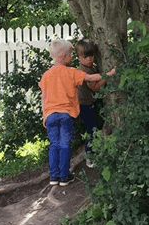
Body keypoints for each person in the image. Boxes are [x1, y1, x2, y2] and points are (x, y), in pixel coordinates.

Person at [39, 39, 114, 187]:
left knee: (54, 145)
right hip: (66, 114)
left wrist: (44, 114)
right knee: (65, 144)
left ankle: (54, 176)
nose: (72, 56)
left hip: (51, 115)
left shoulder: (46, 75)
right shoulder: (72, 72)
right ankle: (64, 176)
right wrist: (110, 73)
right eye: (71, 54)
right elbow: (91, 78)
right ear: (65, 56)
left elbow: (44, 96)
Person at [75, 39, 107, 168]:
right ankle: (89, 157)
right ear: (78, 57)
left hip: (89, 103)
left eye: (91, 56)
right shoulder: (84, 71)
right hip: (85, 105)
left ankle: (93, 152)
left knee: (94, 128)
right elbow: (94, 88)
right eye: (85, 56)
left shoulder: (91, 67)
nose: (89, 59)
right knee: (91, 130)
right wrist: (106, 76)